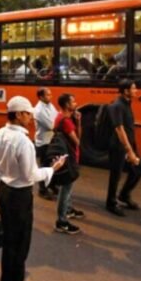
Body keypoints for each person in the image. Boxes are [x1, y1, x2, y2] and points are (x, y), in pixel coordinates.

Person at [0, 96, 66, 281]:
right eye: (28, 113)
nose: (31, 117)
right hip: (19, 196)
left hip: (3, 191)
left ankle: (6, 279)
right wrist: (52, 169)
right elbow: (30, 176)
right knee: (20, 243)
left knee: (9, 238)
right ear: (19, 114)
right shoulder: (23, 142)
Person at [105, 79, 141, 217]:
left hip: (128, 143)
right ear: (126, 91)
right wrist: (129, 151)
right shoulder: (117, 106)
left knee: (138, 169)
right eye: (134, 89)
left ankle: (123, 195)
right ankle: (111, 203)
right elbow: (119, 129)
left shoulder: (127, 103)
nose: (136, 91)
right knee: (116, 174)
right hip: (118, 146)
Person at [53, 93, 85, 234]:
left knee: (67, 187)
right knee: (65, 189)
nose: (75, 103)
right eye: (73, 101)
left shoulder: (62, 117)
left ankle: (68, 209)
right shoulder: (65, 121)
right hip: (70, 158)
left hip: (69, 157)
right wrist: (78, 123)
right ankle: (62, 221)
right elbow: (78, 141)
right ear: (67, 105)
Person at [33, 87, 59, 200]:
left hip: (51, 139)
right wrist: (56, 121)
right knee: (44, 166)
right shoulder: (38, 110)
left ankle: (51, 185)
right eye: (48, 95)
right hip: (43, 142)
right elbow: (51, 125)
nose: (50, 96)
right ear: (41, 97)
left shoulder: (50, 105)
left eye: (50, 94)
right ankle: (42, 190)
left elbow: (57, 117)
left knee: (52, 164)